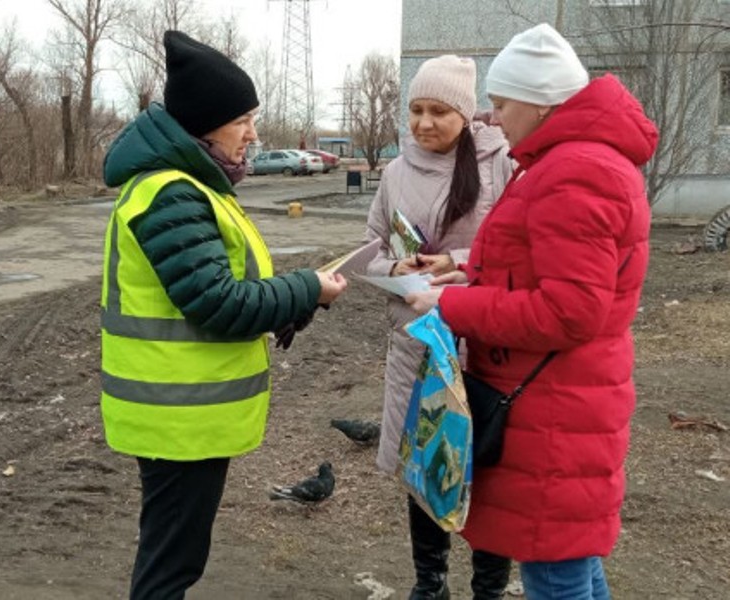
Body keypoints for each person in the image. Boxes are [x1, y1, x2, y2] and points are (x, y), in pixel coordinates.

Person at [406, 23, 659, 599]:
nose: (492, 118)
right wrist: (465, 270)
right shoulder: (570, 161)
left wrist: (452, 304)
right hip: (562, 399)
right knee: (571, 562)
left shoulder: (575, 171)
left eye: (499, 103)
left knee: (555, 569)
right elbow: (546, 270)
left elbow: (569, 310)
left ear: (539, 103)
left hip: (554, 409)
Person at [99, 30, 347, 600]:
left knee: (175, 556)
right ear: (204, 125)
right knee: (170, 568)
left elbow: (227, 291)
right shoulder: (170, 193)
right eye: (243, 121)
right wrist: (307, 286)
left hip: (184, 412)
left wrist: (297, 302)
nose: (254, 134)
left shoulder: (193, 187)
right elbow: (218, 303)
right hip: (177, 416)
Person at [364, 55, 514, 600]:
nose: (424, 123)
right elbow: (372, 249)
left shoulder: (501, 166)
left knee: (490, 468)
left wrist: (457, 261)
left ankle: (489, 588)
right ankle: (430, 583)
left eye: (439, 112)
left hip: (484, 344)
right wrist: (392, 269)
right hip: (417, 343)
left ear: (466, 114)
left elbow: (519, 251)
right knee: (424, 465)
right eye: (416, 110)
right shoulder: (395, 171)